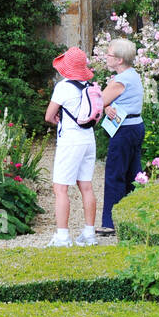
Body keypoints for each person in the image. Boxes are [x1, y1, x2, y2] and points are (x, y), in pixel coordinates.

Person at [44, 47, 98, 248]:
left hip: (70, 141)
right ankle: (89, 233)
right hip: (88, 139)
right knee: (86, 186)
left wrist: (57, 119)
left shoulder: (63, 87)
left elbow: (49, 116)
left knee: (60, 188)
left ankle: (63, 236)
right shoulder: (89, 85)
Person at [99, 38, 145, 237]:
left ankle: (110, 222)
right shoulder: (133, 75)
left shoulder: (120, 80)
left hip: (123, 130)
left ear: (119, 60)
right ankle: (135, 216)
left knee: (114, 174)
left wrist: (103, 105)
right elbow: (110, 102)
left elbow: (97, 101)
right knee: (133, 173)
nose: (106, 57)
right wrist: (107, 106)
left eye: (109, 55)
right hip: (136, 127)